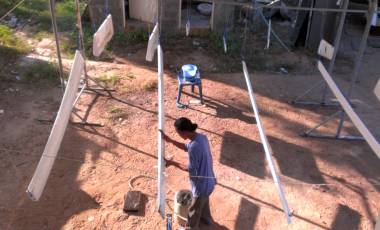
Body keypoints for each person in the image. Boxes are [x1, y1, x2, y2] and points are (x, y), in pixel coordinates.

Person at [161, 117, 216, 229]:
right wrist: (171, 141)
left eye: (178, 133)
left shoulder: (194, 147)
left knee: (193, 212)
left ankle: (192, 227)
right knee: (204, 203)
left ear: (184, 132)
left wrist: (172, 163)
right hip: (210, 181)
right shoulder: (201, 137)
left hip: (201, 187)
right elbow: (187, 147)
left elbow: (190, 169)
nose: (178, 135)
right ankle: (207, 220)